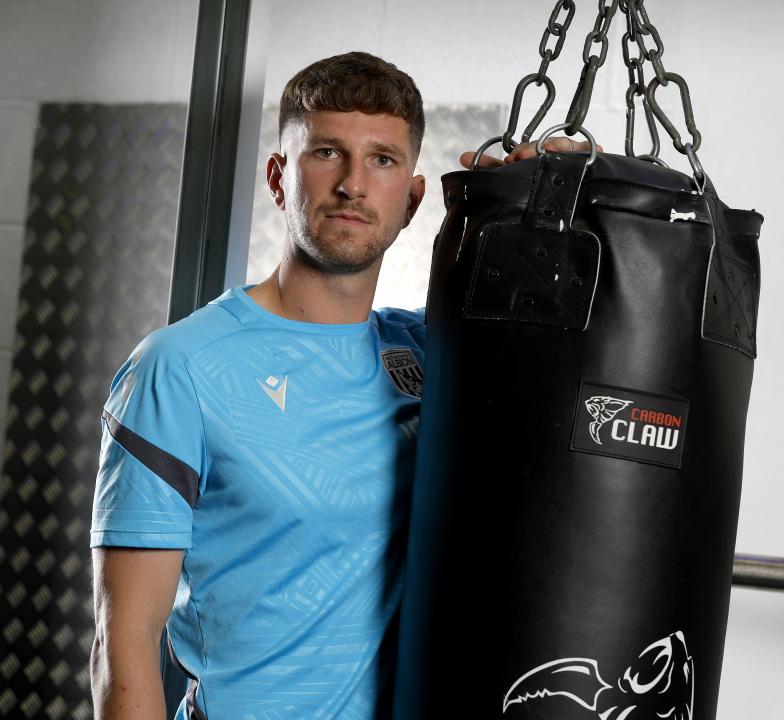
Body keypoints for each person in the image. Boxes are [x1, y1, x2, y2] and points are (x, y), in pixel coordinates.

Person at [89, 51, 593, 720]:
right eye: (327, 153)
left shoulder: (426, 353)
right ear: (278, 176)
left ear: (413, 200)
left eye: (383, 160)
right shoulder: (180, 368)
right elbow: (123, 644)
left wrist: (530, 204)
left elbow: (564, 355)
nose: (354, 185)